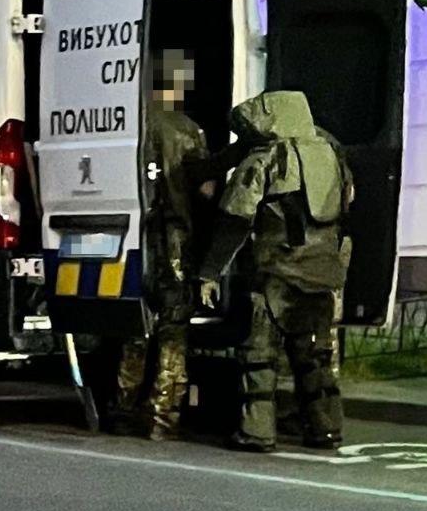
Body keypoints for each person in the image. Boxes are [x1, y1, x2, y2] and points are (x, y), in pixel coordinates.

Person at [197, 91, 353, 453]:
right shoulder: (330, 153)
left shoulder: (265, 159)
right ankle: (326, 429)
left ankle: (257, 432)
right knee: (314, 357)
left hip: (274, 274)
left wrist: (209, 273)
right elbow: (347, 202)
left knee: (259, 357)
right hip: (322, 272)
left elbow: (235, 219)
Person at [112, 49, 211, 440]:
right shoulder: (187, 130)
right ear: (180, 83)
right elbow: (205, 188)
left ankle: (122, 408)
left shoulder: (131, 123)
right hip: (175, 239)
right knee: (173, 329)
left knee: (134, 328)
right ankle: (160, 415)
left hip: (136, 235)